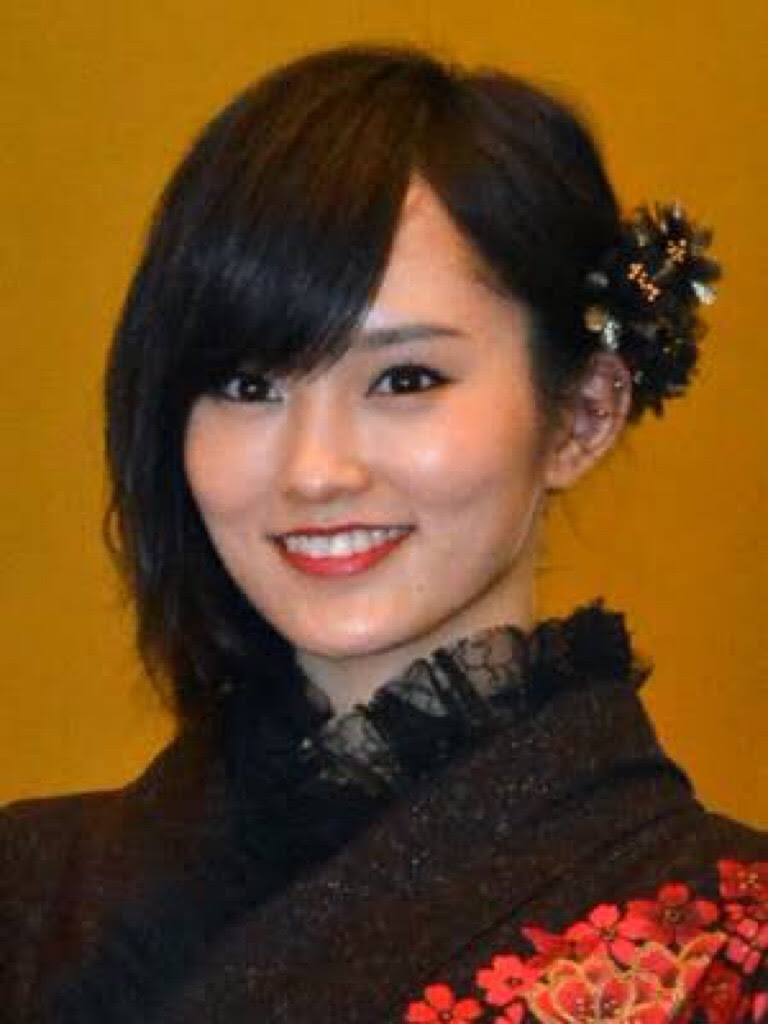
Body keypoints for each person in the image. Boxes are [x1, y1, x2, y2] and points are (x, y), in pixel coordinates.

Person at [1, 42, 765, 1024]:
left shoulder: (726, 949)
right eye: (247, 385)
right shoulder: (33, 892)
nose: (315, 470)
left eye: (405, 380)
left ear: (582, 414)